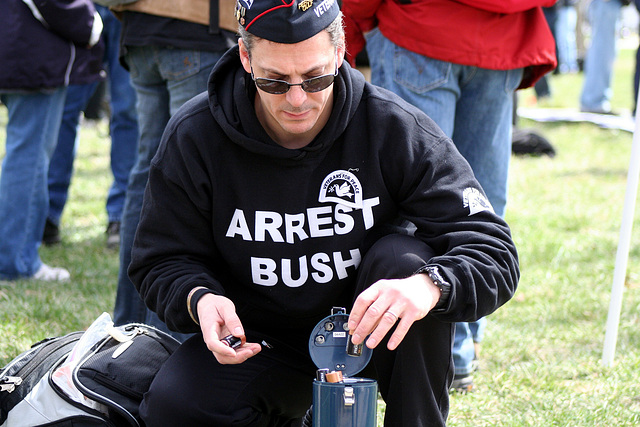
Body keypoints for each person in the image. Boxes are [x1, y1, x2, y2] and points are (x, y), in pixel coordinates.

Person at [127, 2, 520, 425]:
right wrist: (199, 297)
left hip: (368, 333)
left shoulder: (392, 127)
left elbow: (494, 250)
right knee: (173, 406)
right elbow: (160, 258)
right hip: (260, 342)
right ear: (246, 58)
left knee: (405, 263)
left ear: (339, 54)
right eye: (274, 81)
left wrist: (428, 286)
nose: (297, 100)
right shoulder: (196, 134)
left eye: (315, 79)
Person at [342, 0, 556, 392]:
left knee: (417, 203)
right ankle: (459, 351)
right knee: (478, 201)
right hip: (498, 37)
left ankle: (437, 351)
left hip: (423, 27)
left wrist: (354, 21)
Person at [110, 0, 237, 335]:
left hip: (139, 31)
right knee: (193, 174)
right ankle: (163, 338)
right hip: (196, 30)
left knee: (145, 177)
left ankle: (128, 329)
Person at [0, 0, 103, 282]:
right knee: (28, 158)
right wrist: (90, 23)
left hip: (16, 43)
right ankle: (17, 261)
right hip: (29, 51)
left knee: (24, 154)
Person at [43, 3, 139, 249]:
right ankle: (48, 213)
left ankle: (120, 216)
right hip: (79, 8)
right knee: (65, 111)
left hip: (129, 8)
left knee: (127, 112)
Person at [579, 0, 628, 115]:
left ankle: (593, 100)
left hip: (607, 4)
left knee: (603, 52)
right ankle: (593, 102)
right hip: (606, 3)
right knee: (602, 54)